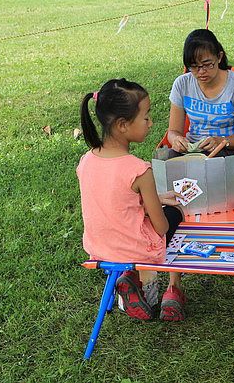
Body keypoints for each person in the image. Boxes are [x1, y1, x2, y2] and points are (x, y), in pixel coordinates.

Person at [77, 78, 188, 322]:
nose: (150, 123)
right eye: (146, 117)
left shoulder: (86, 160)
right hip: (135, 249)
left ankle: (127, 277)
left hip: (99, 248)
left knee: (160, 208)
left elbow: (113, 199)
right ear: (123, 125)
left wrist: (152, 200)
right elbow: (161, 228)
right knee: (176, 212)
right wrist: (157, 206)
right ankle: (170, 285)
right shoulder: (139, 170)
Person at [167, 29, 234, 157]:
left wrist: (222, 141)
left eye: (207, 64)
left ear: (219, 57)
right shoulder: (182, 84)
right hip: (192, 148)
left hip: (226, 149)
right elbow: (173, 131)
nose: (201, 71)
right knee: (168, 165)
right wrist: (176, 139)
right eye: (194, 66)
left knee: (210, 168)